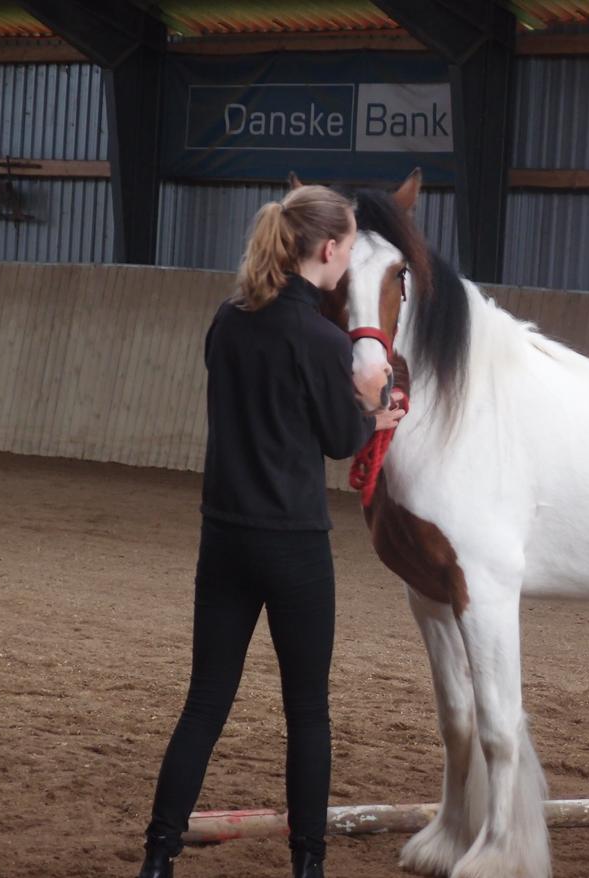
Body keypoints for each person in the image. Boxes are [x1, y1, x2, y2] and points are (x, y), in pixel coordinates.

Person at [136, 184, 404, 878]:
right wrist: (375, 412)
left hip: (223, 537)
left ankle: (159, 854)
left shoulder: (227, 321)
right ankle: (307, 865)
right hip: (293, 545)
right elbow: (341, 440)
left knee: (204, 704)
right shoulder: (321, 338)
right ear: (328, 249)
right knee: (308, 714)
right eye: (347, 249)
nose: (347, 264)